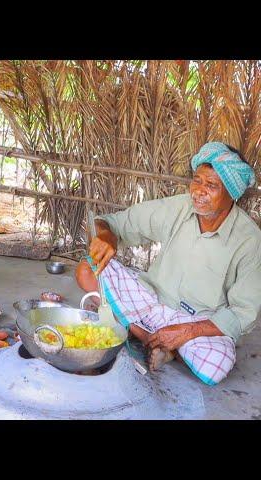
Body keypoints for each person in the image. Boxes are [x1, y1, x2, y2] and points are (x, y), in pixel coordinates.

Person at [75, 142, 260, 385]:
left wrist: (185, 331)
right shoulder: (180, 207)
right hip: (151, 300)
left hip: (198, 323)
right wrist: (107, 235)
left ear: (232, 193)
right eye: (197, 180)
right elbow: (111, 223)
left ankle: (141, 332)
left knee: (217, 363)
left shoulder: (250, 240)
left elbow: (242, 313)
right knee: (88, 269)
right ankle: (155, 340)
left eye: (212, 185)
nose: (199, 191)